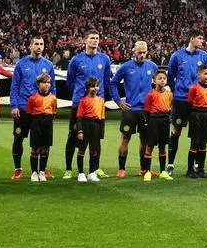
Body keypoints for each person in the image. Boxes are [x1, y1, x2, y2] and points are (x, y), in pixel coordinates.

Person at [64, 30, 115, 180]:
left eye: (97, 38)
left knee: (96, 138)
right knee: (73, 136)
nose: (95, 41)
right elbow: (70, 82)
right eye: (92, 38)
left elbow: (106, 81)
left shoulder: (104, 59)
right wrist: (80, 95)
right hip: (79, 103)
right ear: (85, 41)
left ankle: (95, 169)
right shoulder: (76, 60)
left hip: (97, 105)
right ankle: (68, 168)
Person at [166, 31, 207, 177]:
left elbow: (205, 74)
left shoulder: (204, 56)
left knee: (197, 134)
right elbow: (170, 77)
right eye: (200, 38)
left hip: (197, 103)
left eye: (202, 38)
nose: (202, 41)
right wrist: (177, 91)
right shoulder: (177, 56)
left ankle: (197, 165)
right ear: (191, 39)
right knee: (176, 130)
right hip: (181, 100)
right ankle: (170, 164)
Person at [9, 35, 54, 180]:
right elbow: (14, 86)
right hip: (22, 108)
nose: (39, 46)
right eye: (36, 44)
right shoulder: (21, 64)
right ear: (30, 46)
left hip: (40, 111)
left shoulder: (48, 65)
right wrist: (14, 105)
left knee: (42, 141)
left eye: (41, 44)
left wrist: (52, 107)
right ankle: (17, 168)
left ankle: (42, 169)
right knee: (18, 138)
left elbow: (52, 89)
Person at [113, 41, 157, 178]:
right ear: (134, 51)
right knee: (125, 137)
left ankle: (143, 169)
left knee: (144, 139)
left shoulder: (152, 66)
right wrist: (118, 101)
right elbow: (113, 83)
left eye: (144, 52)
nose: (142, 55)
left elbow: (159, 84)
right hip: (130, 109)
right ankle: (121, 168)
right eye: (139, 52)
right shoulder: (126, 67)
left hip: (146, 110)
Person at [142, 70, 173, 182]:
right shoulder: (151, 94)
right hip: (154, 121)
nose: (162, 80)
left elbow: (170, 108)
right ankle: (147, 172)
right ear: (154, 81)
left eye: (164, 78)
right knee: (149, 146)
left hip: (164, 121)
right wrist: (147, 122)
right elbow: (146, 110)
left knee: (162, 146)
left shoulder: (169, 94)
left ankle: (163, 171)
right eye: (159, 78)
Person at [74, 77, 106, 182]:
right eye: (92, 86)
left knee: (94, 150)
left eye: (97, 86)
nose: (95, 88)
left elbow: (102, 117)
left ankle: (92, 172)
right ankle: (81, 173)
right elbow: (79, 117)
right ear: (87, 88)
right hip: (85, 124)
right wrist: (80, 131)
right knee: (82, 149)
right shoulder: (83, 101)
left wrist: (101, 132)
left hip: (96, 126)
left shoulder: (101, 101)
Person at [26, 74, 57, 182]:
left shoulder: (53, 98)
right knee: (35, 148)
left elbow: (53, 112)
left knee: (45, 148)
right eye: (44, 83)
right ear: (38, 84)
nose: (47, 85)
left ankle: (42, 171)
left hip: (47, 122)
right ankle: (34, 172)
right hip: (36, 122)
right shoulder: (33, 98)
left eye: (48, 83)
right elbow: (29, 113)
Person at [186, 64, 207, 178]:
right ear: (199, 74)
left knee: (203, 143)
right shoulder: (194, 88)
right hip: (196, 114)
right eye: (205, 73)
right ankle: (190, 169)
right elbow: (189, 103)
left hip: (206, 115)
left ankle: (201, 168)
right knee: (195, 143)